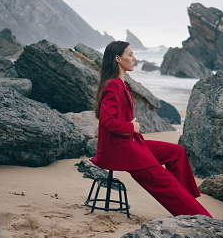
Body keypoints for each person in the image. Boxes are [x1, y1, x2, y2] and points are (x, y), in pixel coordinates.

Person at [90, 41, 212, 217]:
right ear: (118, 58)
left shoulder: (121, 83)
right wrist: (131, 127)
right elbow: (106, 120)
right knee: (165, 182)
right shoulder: (113, 85)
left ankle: (186, 201)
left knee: (176, 152)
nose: (134, 58)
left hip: (130, 143)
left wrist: (130, 127)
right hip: (121, 149)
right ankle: (201, 218)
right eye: (130, 54)